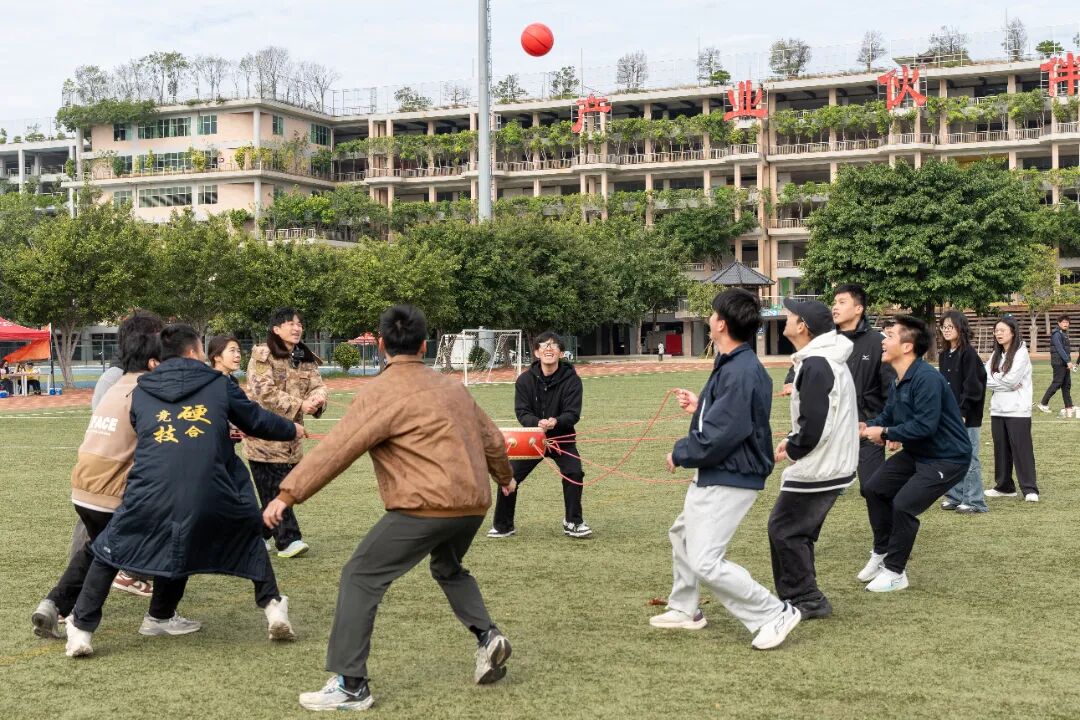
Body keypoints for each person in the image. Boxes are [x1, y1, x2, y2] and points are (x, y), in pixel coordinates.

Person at [262, 305, 516, 712]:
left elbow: (337, 450)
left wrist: (286, 495)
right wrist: (504, 477)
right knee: (448, 567)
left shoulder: (380, 391)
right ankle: (488, 637)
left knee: (360, 576)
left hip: (424, 506)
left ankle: (351, 685)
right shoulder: (453, 387)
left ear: (380, 345)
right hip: (472, 505)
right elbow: (493, 440)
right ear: (424, 345)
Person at [63, 324, 305, 658]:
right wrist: (292, 428)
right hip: (212, 491)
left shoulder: (142, 390)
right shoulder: (219, 384)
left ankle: (81, 630)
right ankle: (273, 607)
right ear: (193, 352)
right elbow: (256, 421)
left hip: (148, 492)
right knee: (249, 537)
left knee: (107, 552)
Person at [651, 288, 801, 650]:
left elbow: (723, 433)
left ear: (722, 323)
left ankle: (773, 613)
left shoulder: (741, 370)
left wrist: (681, 452)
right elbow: (730, 415)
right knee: (682, 535)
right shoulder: (734, 364)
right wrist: (701, 405)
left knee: (705, 560)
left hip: (732, 475)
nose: (710, 318)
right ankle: (685, 608)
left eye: (713, 313)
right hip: (722, 472)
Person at [31, 327, 162, 640]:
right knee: (115, 551)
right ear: (154, 362)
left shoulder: (115, 384)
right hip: (110, 491)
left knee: (97, 549)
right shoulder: (147, 391)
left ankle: (54, 605)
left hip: (83, 485)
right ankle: (82, 618)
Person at [857, 316, 972, 593]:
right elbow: (888, 415)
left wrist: (885, 433)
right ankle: (883, 552)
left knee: (904, 505)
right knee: (874, 488)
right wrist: (868, 426)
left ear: (907, 347)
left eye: (890, 336)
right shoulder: (900, 379)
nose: (883, 341)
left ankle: (895, 572)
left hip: (948, 457)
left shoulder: (927, 378)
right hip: (919, 453)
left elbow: (924, 426)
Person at [769, 299, 858, 620]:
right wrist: (792, 440)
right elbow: (818, 417)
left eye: (791, 315)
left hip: (822, 467)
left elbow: (816, 421)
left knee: (784, 529)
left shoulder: (818, 364)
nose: (787, 317)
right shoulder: (821, 361)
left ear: (803, 326)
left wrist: (796, 448)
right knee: (795, 531)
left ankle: (806, 598)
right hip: (830, 462)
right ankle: (803, 596)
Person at [487, 331, 591, 539]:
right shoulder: (524, 380)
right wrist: (536, 424)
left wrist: (556, 422)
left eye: (554, 345)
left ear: (561, 353)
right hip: (531, 439)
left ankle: (573, 522)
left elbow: (572, 413)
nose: (548, 349)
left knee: (574, 473)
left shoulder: (572, 380)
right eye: (543, 345)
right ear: (536, 352)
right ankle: (503, 525)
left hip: (562, 439)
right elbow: (522, 412)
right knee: (509, 476)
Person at [245, 307, 327, 558]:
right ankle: (289, 539)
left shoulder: (304, 356)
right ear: (276, 329)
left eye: (299, 323)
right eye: (290, 323)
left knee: (281, 491)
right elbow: (264, 392)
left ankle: (254, 535)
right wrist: (300, 404)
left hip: (292, 442)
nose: (296, 328)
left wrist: (317, 400)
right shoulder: (263, 355)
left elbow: (318, 386)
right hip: (264, 439)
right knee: (277, 490)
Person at [937, 311, 989, 514]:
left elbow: (973, 387)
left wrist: (963, 411)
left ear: (961, 328)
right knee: (950, 456)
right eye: (943, 326)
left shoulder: (969, 354)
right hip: (948, 415)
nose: (946, 330)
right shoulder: (944, 355)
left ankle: (974, 501)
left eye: (950, 326)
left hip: (967, 416)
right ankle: (955, 496)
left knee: (969, 457)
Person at [984, 317, 1039, 502]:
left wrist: (998, 379)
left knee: (1022, 450)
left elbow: (1012, 380)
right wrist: (1002, 380)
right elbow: (984, 377)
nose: (998, 334)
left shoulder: (1021, 353)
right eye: (996, 331)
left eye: (1002, 330)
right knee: (1001, 450)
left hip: (1018, 410)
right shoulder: (996, 354)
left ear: (1013, 332)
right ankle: (1004, 487)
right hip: (998, 409)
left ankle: (1030, 489)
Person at [1037, 315, 1074, 417]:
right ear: (1059, 323)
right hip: (1058, 363)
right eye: (1064, 322)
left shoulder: (1063, 333)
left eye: (1067, 322)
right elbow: (1059, 349)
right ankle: (1043, 403)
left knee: (1066, 385)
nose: (1066, 324)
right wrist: (1068, 361)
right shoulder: (1057, 334)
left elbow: (1065, 350)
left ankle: (1069, 406)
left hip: (1064, 363)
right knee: (1057, 383)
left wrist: (1068, 362)